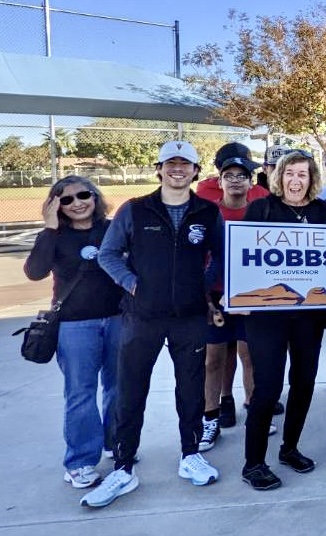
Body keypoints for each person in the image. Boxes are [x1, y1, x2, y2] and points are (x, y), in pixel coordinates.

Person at [86, 140, 224, 508]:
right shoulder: (135, 210)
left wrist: (204, 284)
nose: (178, 170)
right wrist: (133, 284)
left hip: (190, 317)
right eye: (170, 164)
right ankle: (122, 466)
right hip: (142, 317)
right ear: (159, 169)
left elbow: (222, 257)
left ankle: (190, 454)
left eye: (186, 164)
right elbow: (109, 254)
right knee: (131, 392)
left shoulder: (208, 212)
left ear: (196, 171)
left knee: (190, 389)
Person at [239, 150, 326, 491]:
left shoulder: (322, 212)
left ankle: (289, 448)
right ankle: (253, 462)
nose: (296, 180)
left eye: (303, 174)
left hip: (308, 316)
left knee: (304, 382)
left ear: (312, 179)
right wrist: (238, 295)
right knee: (267, 387)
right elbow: (242, 257)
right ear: (280, 176)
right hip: (267, 316)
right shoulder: (261, 209)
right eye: (291, 173)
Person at [25, 176, 122, 490]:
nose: (78, 203)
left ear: (95, 196)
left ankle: (116, 442)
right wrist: (49, 228)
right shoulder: (56, 235)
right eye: (66, 199)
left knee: (118, 388)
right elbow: (35, 271)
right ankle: (80, 461)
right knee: (80, 394)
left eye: (84, 195)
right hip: (74, 325)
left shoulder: (111, 229)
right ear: (56, 205)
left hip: (118, 319)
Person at [197, 154, 273, 450]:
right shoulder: (208, 214)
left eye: (242, 175)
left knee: (249, 355)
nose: (236, 180)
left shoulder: (259, 212)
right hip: (215, 296)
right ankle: (210, 418)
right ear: (220, 181)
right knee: (213, 359)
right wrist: (204, 297)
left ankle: (255, 414)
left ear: (250, 181)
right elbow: (200, 259)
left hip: (251, 294)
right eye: (229, 175)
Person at [196, 142, 269, 202]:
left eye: (242, 174)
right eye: (230, 173)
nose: (236, 180)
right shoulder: (199, 200)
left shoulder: (262, 195)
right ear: (220, 171)